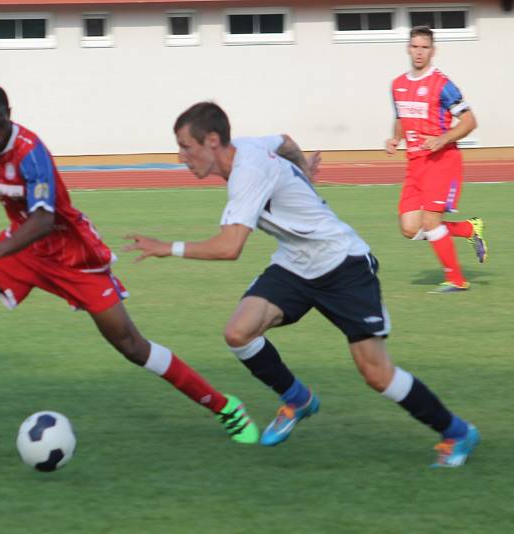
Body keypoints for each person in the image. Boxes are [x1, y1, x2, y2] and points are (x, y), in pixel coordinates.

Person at [0, 84, 260, 444]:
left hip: (72, 255)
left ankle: (225, 406)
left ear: (10, 117)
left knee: (131, 345)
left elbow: (44, 220)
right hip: (23, 249)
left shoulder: (31, 153)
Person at [124, 101, 479, 467]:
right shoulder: (246, 145)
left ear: (212, 140)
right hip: (296, 263)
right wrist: (303, 171)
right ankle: (298, 400)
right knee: (239, 332)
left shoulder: (248, 171)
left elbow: (230, 247)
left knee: (376, 374)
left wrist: (167, 247)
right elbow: (286, 141)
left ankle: (457, 432)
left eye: (186, 146)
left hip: (343, 264)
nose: (181, 156)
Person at [386, 26, 485, 293]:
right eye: (415, 46)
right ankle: (467, 228)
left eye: (424, 47)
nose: (419, 52)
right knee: (409, 228)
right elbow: (401, 117)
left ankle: (456, 280)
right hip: (415, 163)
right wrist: (396, 139)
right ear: (408, 48)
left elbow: (469, 121)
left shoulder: (442, 85)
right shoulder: (398, 85)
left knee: (430, 223)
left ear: (433, 51)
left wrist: (442, 139)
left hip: (442, 161)